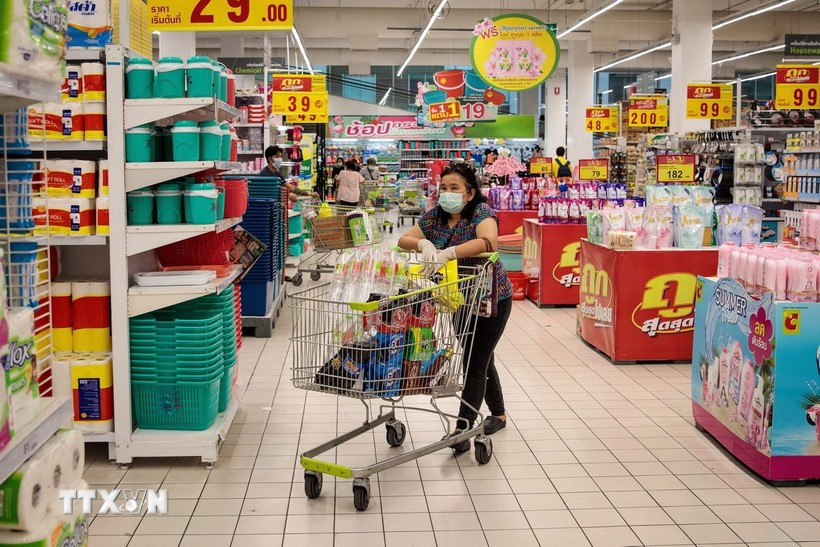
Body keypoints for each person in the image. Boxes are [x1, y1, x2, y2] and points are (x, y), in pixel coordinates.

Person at [398, 162, 513, 451]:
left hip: (491, 298)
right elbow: (404, 239)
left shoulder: (482, 213)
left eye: (454, 188)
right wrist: (423, 246)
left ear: (469, 192)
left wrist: (449, 253)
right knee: (480, 356)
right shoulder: (434, 219)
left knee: (474, 362)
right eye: (444, 188)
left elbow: (489, 241)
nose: (447, 193)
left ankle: (462, 430)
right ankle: (497, 414)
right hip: (458, 299)